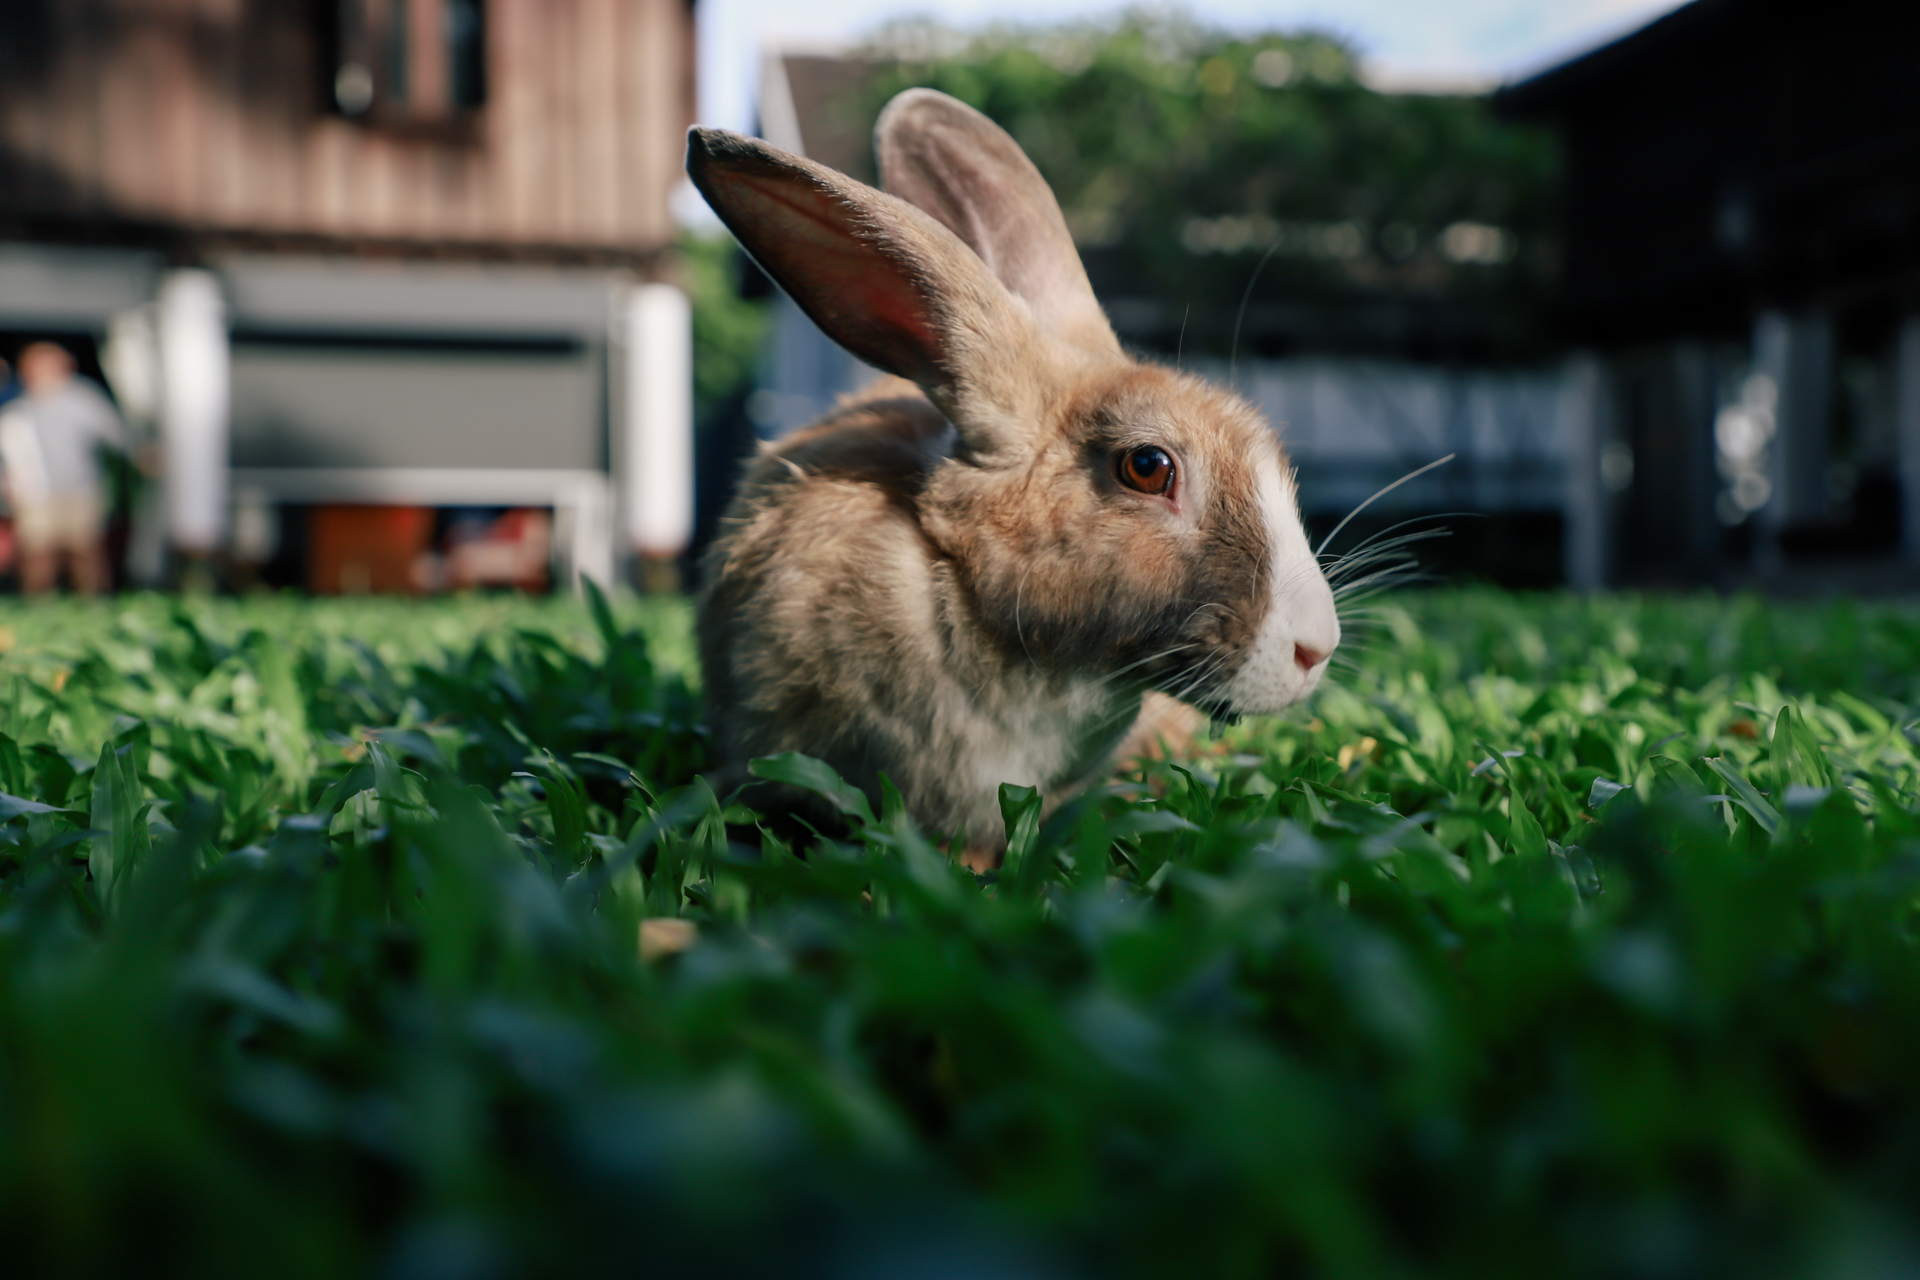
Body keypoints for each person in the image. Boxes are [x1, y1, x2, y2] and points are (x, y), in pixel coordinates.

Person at [0, 343, 130, 595]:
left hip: (81, 489)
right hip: (35, 494)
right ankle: (39, 609)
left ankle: (94, 606)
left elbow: (117, 438)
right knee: (37, 553)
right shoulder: (17, 409)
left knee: (85, 551)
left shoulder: (85, 401)